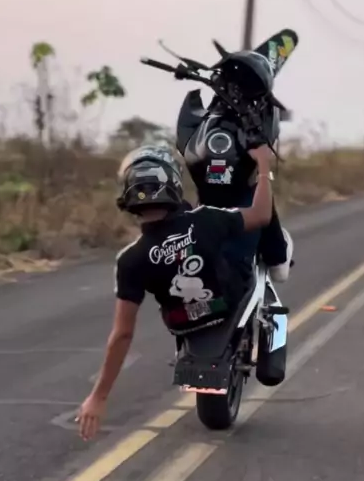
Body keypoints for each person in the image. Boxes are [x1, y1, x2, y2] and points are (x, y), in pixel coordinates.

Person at [77, 142, 275, 441]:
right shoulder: (207, 219)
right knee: (250, 257)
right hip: (227, 301)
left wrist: (99, 397)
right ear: (173, 183)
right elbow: (261, 214)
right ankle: (271, 323)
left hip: (184, 322)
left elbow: (122, 334)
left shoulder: (130, 260)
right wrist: (263, 168)